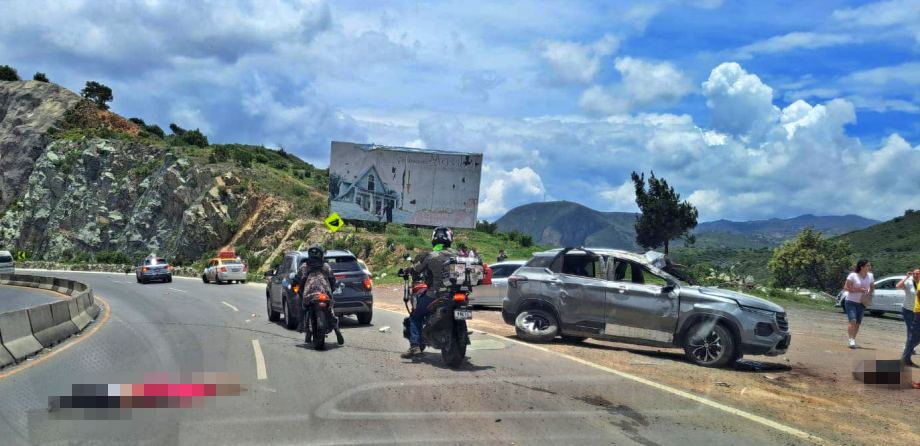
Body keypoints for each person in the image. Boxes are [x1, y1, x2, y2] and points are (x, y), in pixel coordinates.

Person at [399, 226, 458, 358]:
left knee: (415, 317)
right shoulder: (458, 254)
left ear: (434, 239)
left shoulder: (431, 256)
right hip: (455, 293)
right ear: (450, 239)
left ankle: (414, 346)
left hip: (436, 294)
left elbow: (416, 269)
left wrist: (407, 270)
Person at [293, 243, 337, 343]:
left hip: (308, 294)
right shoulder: (326, 266)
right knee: (330, 307)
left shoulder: (305, 266)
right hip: (324, 293)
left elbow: (296, 278)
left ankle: (301, 324)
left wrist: (294, 284)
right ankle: (334, 325)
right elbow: (333, 280)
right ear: (321, 255)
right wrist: (331, 290)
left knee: (302, 305)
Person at [843, 259, 874, 349]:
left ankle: (853, 339)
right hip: (851, 301)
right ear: (862, 267)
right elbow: (846, 288)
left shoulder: (870, 276)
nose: (869, 267)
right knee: (852, 320)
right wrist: (858, 290)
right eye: (868, 266)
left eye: (870, 266)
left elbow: (872, 287)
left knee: (857, 323)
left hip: (862, 302)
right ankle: (851, 339)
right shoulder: (853, 275)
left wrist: (869, 294)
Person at [897, 269, 920, 355]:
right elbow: (898, 286)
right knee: (911, 329)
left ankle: (910, 346)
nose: (915, 275)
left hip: (918, 310)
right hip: (908, 309)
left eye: (917, 274)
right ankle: (909, 347)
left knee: (915, 330)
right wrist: (906, 277)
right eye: (914, 273)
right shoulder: (909, 282)